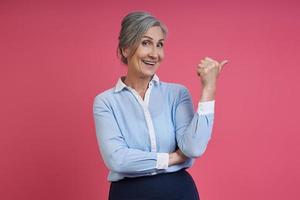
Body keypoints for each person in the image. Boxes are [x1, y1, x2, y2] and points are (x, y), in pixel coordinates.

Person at [93, 11, 228, 200]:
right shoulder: (106, 102)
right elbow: (117, 160)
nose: (155, 54)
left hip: (179, 192)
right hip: (129, 195)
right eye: (146, 43)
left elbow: (193, 149)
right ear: (125, 49)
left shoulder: (177, 94)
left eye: (160, 44)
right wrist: (172, 158)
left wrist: (209, 89)